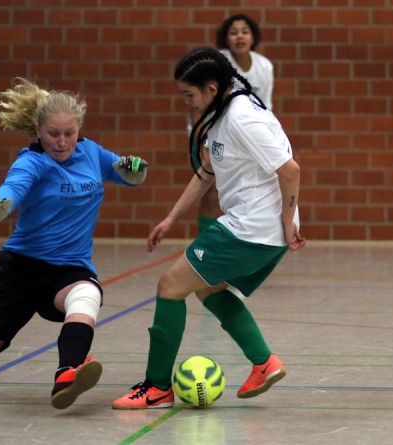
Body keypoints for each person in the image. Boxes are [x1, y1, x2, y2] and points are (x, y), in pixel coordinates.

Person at [111, 47, 305, 409]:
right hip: (258, 228)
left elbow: (290, 170)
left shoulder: (243, 117)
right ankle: (264, 363)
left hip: (252, 227)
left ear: (213, 88)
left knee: (170, 286)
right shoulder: (222, 112)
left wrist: (285, 221)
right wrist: (171, 218)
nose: (186, 102)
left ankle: (156, 389)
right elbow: (207, 174)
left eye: (189, 94)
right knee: (206, 289)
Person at [0, 78, 148, 410]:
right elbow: (12, 189)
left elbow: (124, 173)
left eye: (69, 133)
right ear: (38, 129)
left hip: (69, 268)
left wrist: (134, 172)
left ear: (79, 128)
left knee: (87, 294)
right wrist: (1, 207)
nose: (62, 142)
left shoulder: (91, 152)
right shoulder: (32, 160)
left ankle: (67, 372)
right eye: (54, 134)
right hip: (20, 268)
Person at [194, 13, 274, 234]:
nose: (239, 36)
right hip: (212, 134)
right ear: (226, 38)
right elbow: (200, 105)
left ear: (253, 38)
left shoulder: (264, 67)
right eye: (233, 32)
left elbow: (265, 108)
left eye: (245, 32)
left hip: (244, 138)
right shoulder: (217, 63)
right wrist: (201, 140)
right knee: (210, 190)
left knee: (245, 189)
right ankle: (205, 242)